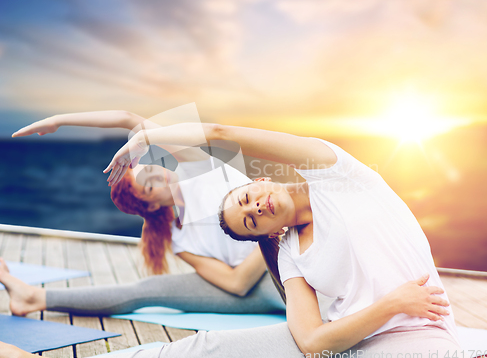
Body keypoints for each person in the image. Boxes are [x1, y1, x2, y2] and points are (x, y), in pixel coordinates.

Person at [0, 121, 471, 358]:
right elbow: (311, 342)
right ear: (263, 236)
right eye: (249, 221)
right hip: (353, 336)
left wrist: (145, 136)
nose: (256, 207)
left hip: (419, 340)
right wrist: (389, 305)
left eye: (247, 198)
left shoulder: (341, 176)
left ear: (260, 180)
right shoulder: (288, 254)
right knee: (204, 348)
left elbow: (219, 134)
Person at [0, 111, 285, 319]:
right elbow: (237, 284)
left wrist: (60, 121)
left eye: (152, 169)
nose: (161, 175)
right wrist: (275, 233)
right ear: (149, 206)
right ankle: (33, 297)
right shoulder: (180, 240)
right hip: (260, 284)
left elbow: (128, 119)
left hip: (290, 260)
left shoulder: (201, 168)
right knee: (145, 289)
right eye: (150, 185)